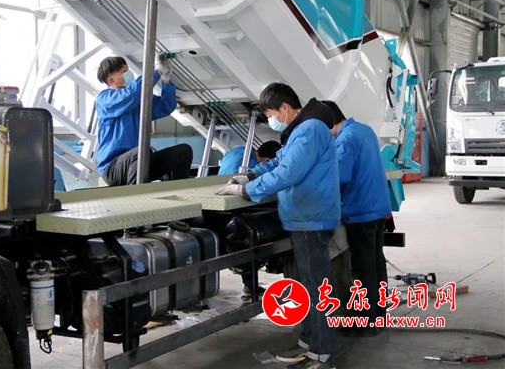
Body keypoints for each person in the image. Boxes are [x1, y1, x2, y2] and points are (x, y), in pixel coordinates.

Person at [217, 83, 340, 369]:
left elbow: (288, 173)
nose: (272, 120)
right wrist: (249, 176)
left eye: (272, 114)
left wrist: (246, 191)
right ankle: (309, 343)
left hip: (311, 220)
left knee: (316, 289)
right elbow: (278, 163)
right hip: (304, 218)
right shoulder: (300, 130)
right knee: (307, 287)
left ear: (284, 107)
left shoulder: (310, 130)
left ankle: (322, 356)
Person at [320, 100, 392, 337]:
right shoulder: (364, 130)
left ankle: (365, 322)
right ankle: (379, 316)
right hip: (377, 208)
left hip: (360, 212)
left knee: (362, 270)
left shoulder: (345, 140)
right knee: (376, 264)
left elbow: (339, 177)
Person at [95, 55, 193, 186]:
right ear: (111, 79)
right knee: (142, 151)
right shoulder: (105, 99)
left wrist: (166, 80)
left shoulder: (137, 102)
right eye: (123, 71)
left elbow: (166, 106)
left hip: (139, 161)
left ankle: (176, 191)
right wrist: (156, 72)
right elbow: (130, 95)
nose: (129, 73)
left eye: (128, 70)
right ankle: (135, 195)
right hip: (113, 167)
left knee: (183, 152)